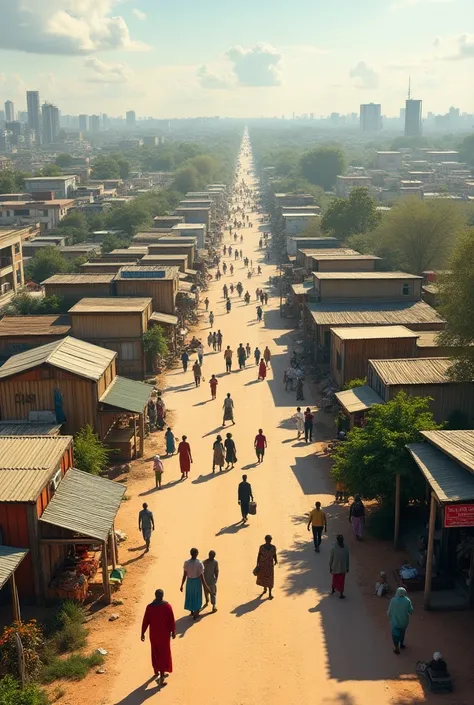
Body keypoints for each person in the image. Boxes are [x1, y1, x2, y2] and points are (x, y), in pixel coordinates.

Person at [141, 589, 176, 687]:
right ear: (162, 596)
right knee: (164, 653)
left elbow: (145, 621)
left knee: (155, 651)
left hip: (153, 635)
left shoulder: (149, 607)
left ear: (155, 595)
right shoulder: (167, 606)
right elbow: (171, 620)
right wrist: (173, 631)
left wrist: (142, 633)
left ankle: (156, 670)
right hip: (164, 635)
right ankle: (161, 676)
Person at [180, 548, 208, 620]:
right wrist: (205, 585)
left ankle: (192, 611)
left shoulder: (186, 563)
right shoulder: (199, 563)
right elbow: (201, 575)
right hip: (197, 582)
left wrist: (182, 584)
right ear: (196, 554)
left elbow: (184, 574)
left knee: (190, 595)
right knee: (197, 596)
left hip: (189, 582)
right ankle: (196, 614)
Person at [387, 587, 414, 654]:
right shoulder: (407, 600)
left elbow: (389, 612)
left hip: (395, 622)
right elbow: (411, 611)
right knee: (402, 633)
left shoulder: (393, 600)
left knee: (395, 635)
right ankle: (401, 644)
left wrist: (389, 616)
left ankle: (397, 649)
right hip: (404, 622)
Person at [255, 535, 277, 599]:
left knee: (270, 579)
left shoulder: (273, 547)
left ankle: (270, 593)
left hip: (270, 566)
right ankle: (265, 588)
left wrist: (276, 560)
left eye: (269, 540)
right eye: (267, 540)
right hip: (263, 565)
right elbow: (259, 556)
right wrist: (257, 564)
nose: (268, 541)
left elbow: (274, 554)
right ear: (265, 540)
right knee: (264, 577)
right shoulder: (261, 547)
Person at [329, 534, 350, 599]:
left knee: (335, 579)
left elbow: (331, 559)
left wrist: (330, 567)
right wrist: (347, 567)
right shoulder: (346, 548)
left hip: (335, 567)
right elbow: (347, 559)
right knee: (341, 581)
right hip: (343, 568)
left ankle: (333, 590)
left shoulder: (334, 548)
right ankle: (341, 594)